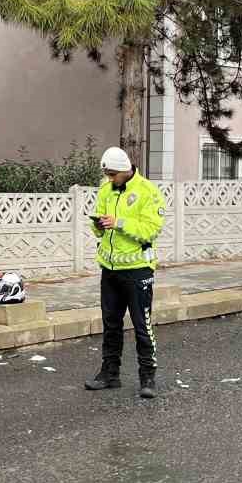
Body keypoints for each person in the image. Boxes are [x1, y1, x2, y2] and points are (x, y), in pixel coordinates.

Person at [85, 146, 166, 400]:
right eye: (107, 175)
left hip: (137, 270)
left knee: (142, 324)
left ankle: (148, 377)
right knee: (111, 323)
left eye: (112, 175)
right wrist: (98, 225)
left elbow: (150, 229)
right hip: (109, 269)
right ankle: (110, 373)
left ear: (124, 170)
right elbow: (99, 229)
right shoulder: (106, 189)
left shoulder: (148, 192)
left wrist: (119, 223)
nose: (109, 179)